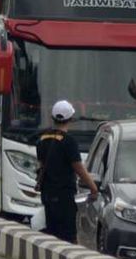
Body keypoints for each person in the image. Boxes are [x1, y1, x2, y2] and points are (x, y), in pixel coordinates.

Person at [36, 100, 98, 243]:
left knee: (51, 233)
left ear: (52, 118)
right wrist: (93, 188)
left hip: (47, 195)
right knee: (68, 236)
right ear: (70, 119)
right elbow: (79, 169)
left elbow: (41, 164)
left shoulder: (42, 139)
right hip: (64, 197)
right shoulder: (69, 142)